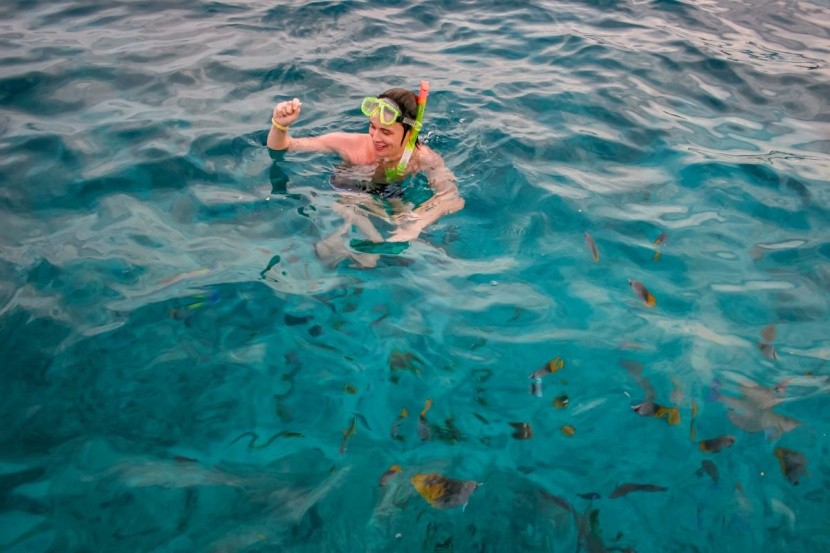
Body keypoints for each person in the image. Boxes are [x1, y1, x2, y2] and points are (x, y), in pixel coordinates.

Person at [266, 87, 464, 264]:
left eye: (385, 132)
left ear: (410, 134)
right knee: (354, 208)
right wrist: (279, 126)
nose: (375, 137)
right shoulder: (350, 144)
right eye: (372, 126)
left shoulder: (423, 159)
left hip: (391, 194)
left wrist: (416, 223)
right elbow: (285, 146)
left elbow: (452, 198)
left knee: (405, 220)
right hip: (349, 188)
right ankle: (358, 246)